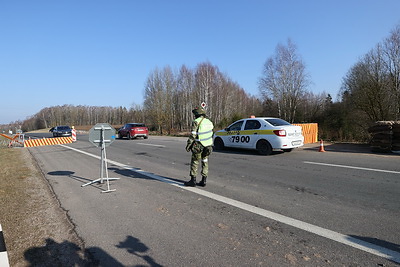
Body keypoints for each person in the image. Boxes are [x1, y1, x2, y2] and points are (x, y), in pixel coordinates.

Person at [184, 107, 214, 187]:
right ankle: (204, 180)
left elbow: (193, 135)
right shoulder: (209, 122)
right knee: (205, 161)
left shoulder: (196, 122)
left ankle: (192, 180)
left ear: (197, 114)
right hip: (208, 145)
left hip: (199, 145)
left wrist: (188, 145)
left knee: (195, 162)